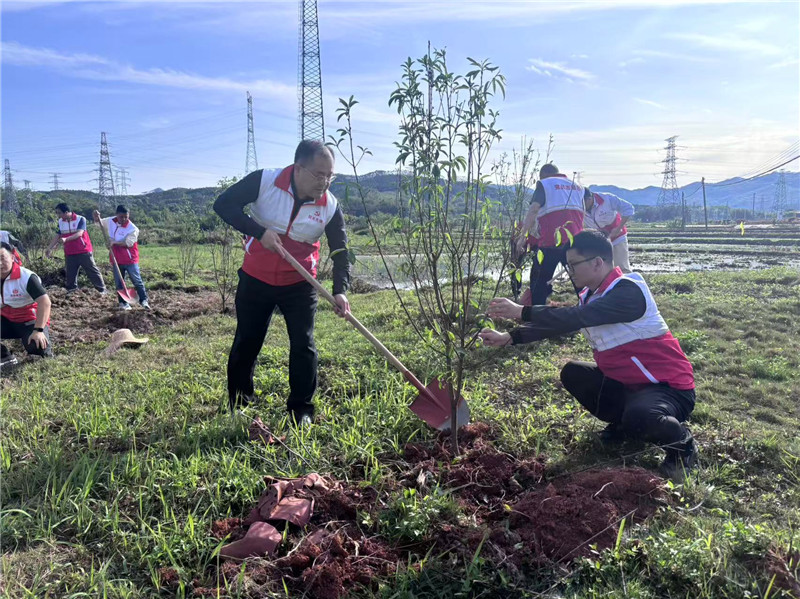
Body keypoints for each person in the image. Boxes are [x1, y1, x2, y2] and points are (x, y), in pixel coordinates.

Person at [480, 230, 698, 480]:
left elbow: (577, 317)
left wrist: (523, 311)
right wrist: (510, 338)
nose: (569, 271)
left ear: (597, 262)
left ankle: (682, 446)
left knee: (641, 415)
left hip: (668, 389)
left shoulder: (628, 290)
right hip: (628, 386)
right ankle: (625, 427)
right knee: (575, 373)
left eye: (573, 265)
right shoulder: (590, 295)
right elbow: (562, 323)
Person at [213, 139, 351, 425]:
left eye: (330, 175)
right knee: (248, 340)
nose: (325, 182)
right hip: (256, 277)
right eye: (319, 174)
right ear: (298, 168)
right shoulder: (264, 181)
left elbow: (340, 251)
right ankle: (240, 404)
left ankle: (301, 410)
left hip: (300, 284)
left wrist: (340, 291)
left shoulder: (330, 205)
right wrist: (258, 231)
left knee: (304, 344)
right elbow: (223, 205)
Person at [516, 164, 584, 305]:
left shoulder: (545, 184)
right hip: (575, 242)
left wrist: (522, 237)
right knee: (581, 282)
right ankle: (589, 314)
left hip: (551, 243)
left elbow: (534, 209)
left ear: (543, 175)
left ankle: (535, 317)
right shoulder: (577, 186)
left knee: (539, 282)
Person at [1, 242, 53, 363]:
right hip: (6, 318)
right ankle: (4, 356)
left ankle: (42, 344)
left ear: (12, 257)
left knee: (36, 347)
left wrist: (39, 330)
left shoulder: (26, 277)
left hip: (29, 320)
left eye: (2, 258)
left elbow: (45, 302)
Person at [93, 205, 150, 311]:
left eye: (126, 217)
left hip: (130, 259)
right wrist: (97, 218)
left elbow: (128, 243)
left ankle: (143, 300)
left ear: (129, 216)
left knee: (136, 280)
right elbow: (99, 224)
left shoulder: (132, 229)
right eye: (121, 217)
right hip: (116, 258)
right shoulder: (110, 221)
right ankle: (123, 303)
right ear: (116, 215)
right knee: (119, 282)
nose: (123, 219)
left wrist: (114, 242)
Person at [46, 202, 107, 295]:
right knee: (70, 273)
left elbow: (79, 234)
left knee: (92, 270)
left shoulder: (81, 219)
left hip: (83, 250)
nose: (58, 215)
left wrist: (66, 239)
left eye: (59, 213)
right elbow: (57, 235)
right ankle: (72, 291)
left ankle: (102, 290)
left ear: (66, 212)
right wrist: (49, 248)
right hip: (69, 252)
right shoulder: (60, 222)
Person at [584, 188, 635, 273]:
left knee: (622, 267)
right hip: (600, 239)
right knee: (602, 270)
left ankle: (626, 284)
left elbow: (629, 208)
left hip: (617, 237)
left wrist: (619, 228)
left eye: (583, 203)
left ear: (589, 199)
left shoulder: (607, 199)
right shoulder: (577, 206)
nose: (581, 206)